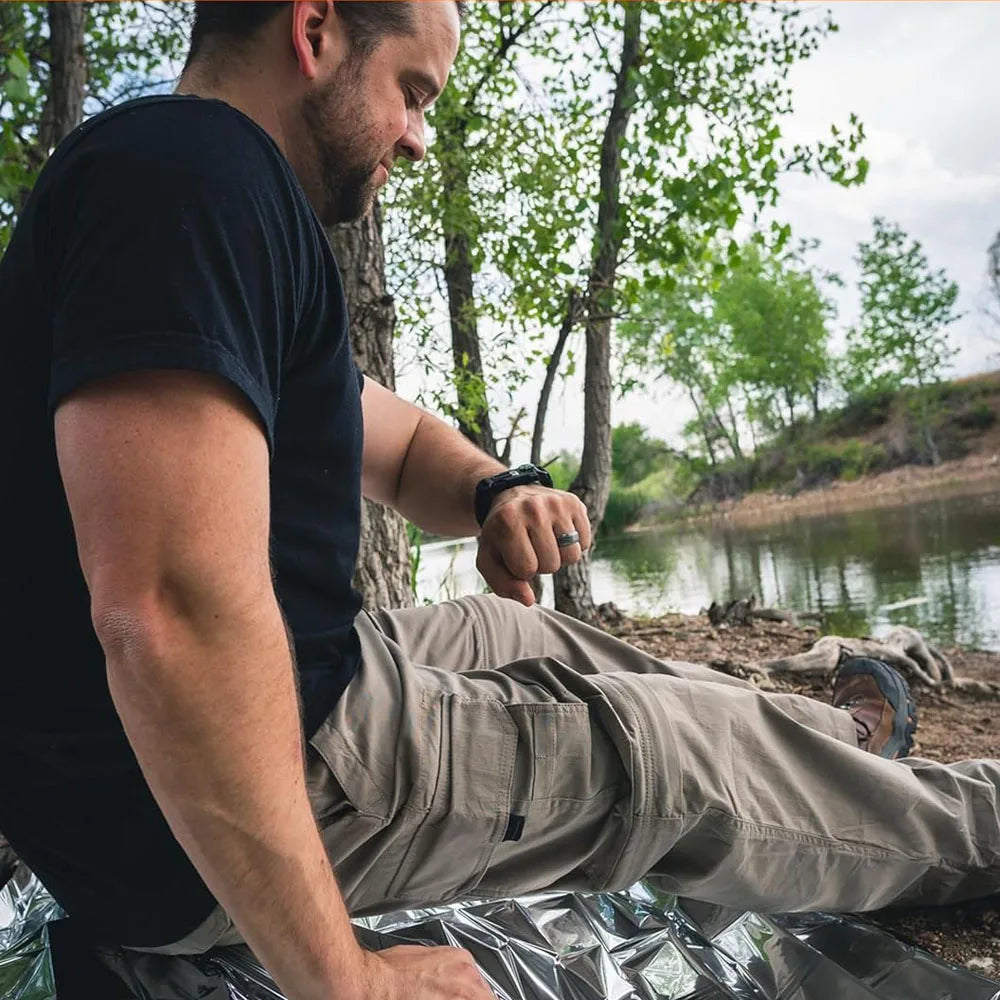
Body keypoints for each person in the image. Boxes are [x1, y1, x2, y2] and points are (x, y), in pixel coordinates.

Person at [1, 3, 998, 999]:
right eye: (411, 91)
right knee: (670, 757)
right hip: (206, 807)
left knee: (514, 630)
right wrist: (345, 979)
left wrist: (497, 490)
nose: (416, 138)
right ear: (314, 31)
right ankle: (971, 821)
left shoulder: (196, 188)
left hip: (269, 701)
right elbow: (170, 614)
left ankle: (838, 748)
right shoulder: (187, 182)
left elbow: (392, 443)